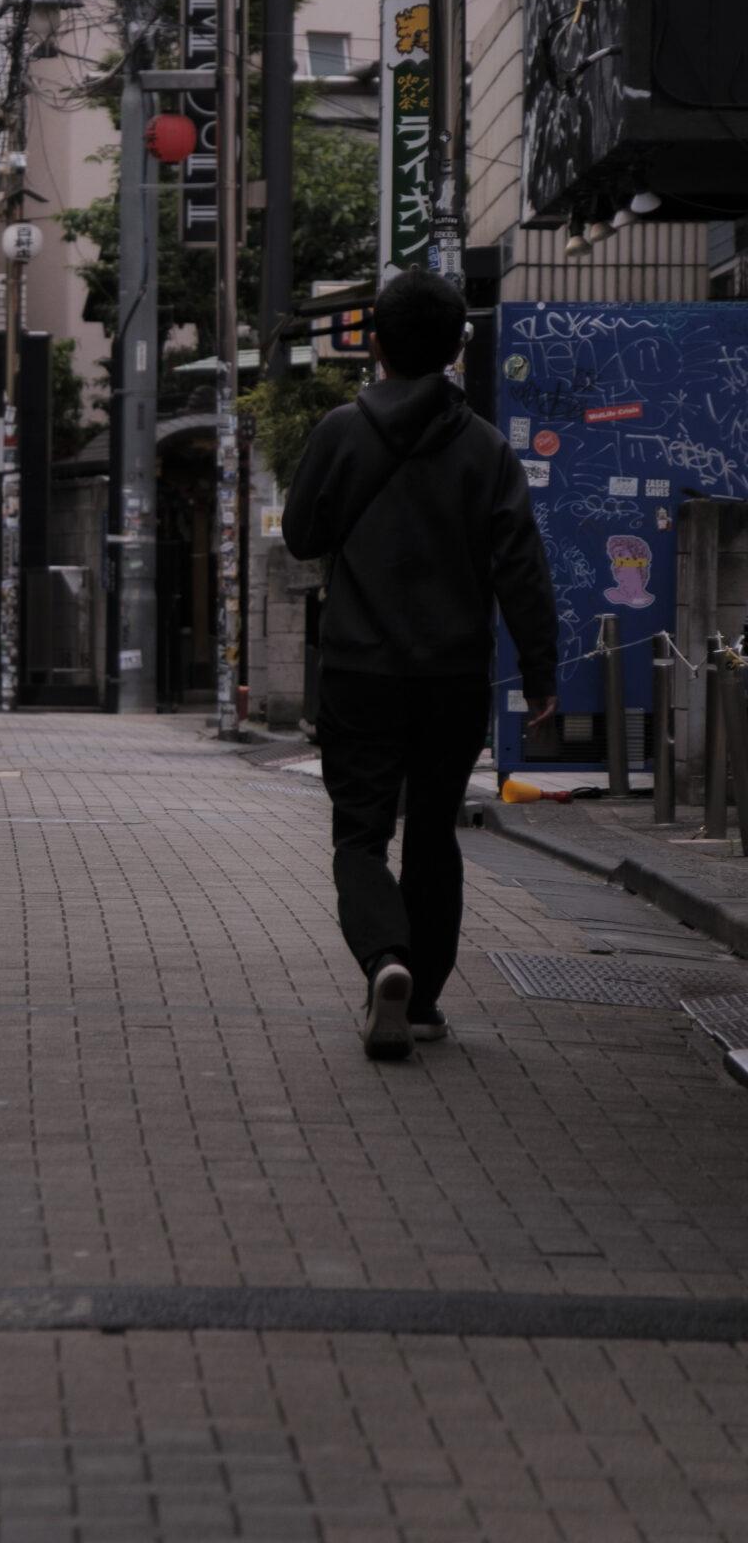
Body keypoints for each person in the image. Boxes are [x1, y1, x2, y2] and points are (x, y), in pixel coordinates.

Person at [283, 270, 557, 1062]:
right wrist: (539, 672)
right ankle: (425, 1001)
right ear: (455, 350)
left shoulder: (341, 430)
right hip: (451, 675)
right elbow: (522, 571)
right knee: (435, 833)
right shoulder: (486, 449)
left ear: (376, 342)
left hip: (360, 672)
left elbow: (302, 536)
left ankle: (385, 962)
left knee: (361, 835)